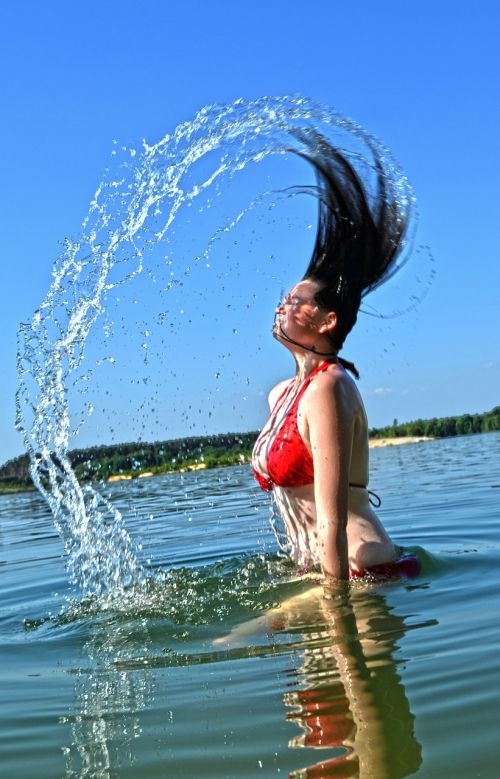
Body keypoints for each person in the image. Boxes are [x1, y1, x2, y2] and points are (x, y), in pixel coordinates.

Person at [251, 133, 421, 585]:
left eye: (294, 301)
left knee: (231, 642)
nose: (280, 307)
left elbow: (331, 522)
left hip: (358, 569)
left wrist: (337, 617)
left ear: (326, 321)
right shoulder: (281, 395)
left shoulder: (329, 388)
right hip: (320, 569)